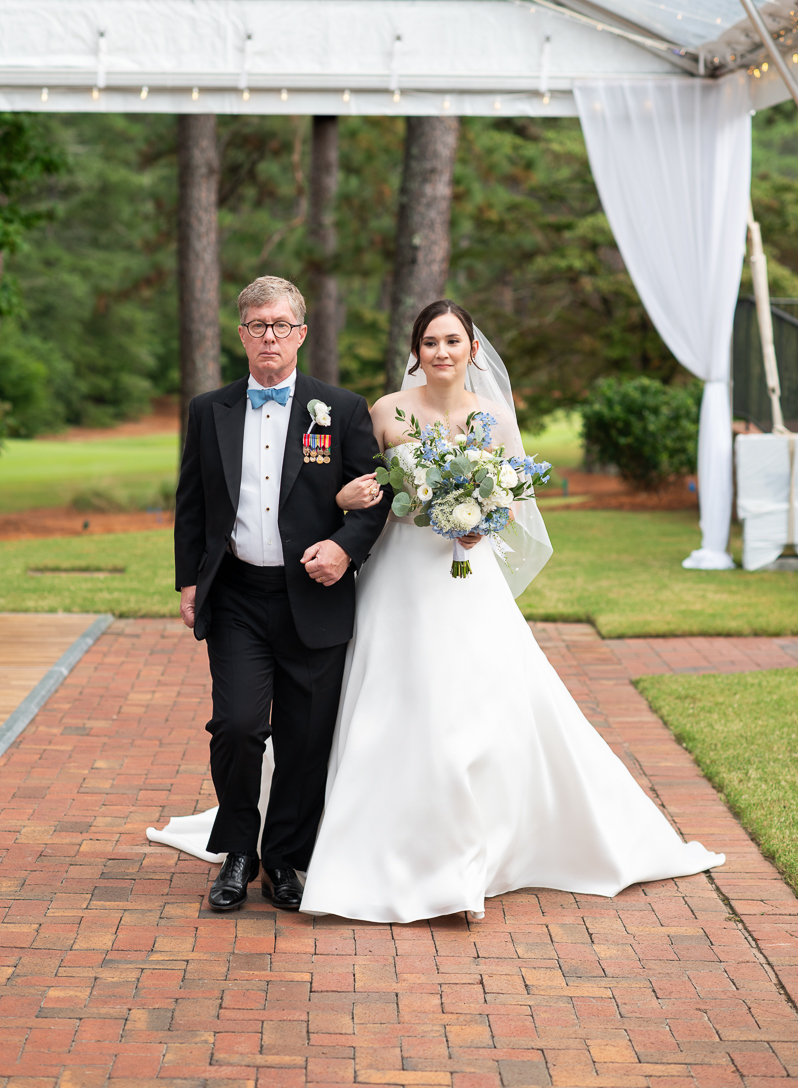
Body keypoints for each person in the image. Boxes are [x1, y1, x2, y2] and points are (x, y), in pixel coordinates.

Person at [297, 299, 724, 922]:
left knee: (476, 710)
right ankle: (378, 847)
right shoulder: (386, 412)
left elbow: (513, 505)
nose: (440, 352)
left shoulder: (493, 418)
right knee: (392, 701)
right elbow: (362, 497)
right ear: (415, 351)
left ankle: (476, 858)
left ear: (472, 348)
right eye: (429, 342)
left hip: (466, 580)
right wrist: (344, 493)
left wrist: (478, 523)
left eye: (452, 340)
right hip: (398, 580)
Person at [173, 275, 391, 913]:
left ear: (301, 333)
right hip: (238, 596)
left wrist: (346, 547)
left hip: (313, 597)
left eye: (281, 325)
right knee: (238, 726)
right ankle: (239, 852)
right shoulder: (208, 409)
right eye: (257, 325)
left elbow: (373, 498)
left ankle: (287, 858)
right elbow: (192, 505)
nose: (270, 336)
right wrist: (190, 579)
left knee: (306, 735)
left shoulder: (342, 410)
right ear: (241, 334)